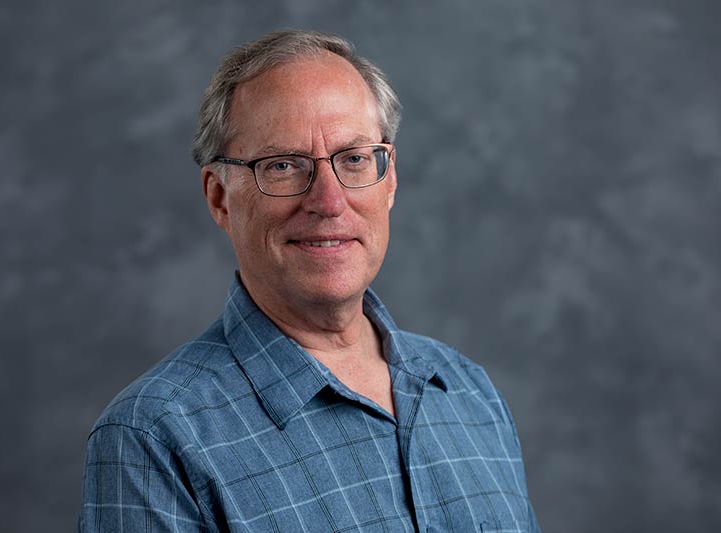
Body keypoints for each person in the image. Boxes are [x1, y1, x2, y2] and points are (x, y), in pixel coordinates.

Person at [79, 29, 540, 532]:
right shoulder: (153, 438)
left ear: (389, 180)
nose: (328, 200)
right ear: (219, 198)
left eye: (355, 159)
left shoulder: (469, 393)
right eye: (282, 165)